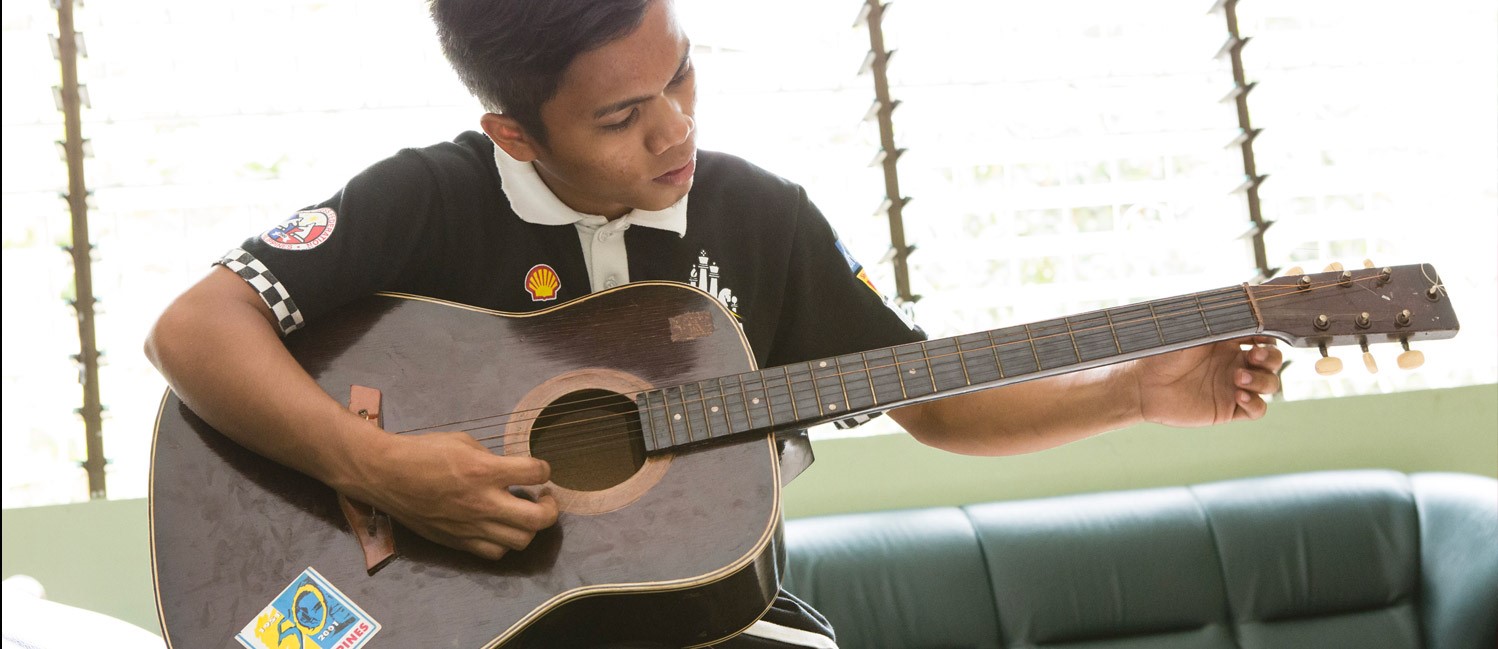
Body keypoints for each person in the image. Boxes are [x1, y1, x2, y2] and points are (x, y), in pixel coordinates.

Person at [143, 0, 1283, 646]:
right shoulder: (425, 198)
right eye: (624, 116)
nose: (674, 129)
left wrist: (1131, 391)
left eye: (683, 78)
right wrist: (382, 468)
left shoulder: (756, 215)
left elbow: (926, 393)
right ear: (515, 135)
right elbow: (194, 329)